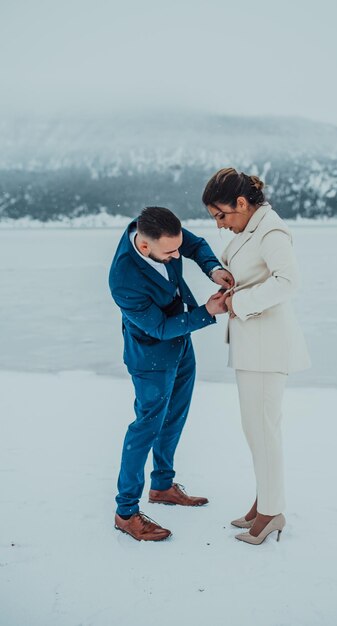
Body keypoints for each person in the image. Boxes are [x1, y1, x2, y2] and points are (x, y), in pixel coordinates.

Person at [109, 206, 233, 542]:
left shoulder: (161, 232)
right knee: (146, 427)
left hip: (181, 344)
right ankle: (126, 512)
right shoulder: (123, 279)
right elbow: (160, 326)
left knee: (175, 416)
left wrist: (213, 270)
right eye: (171, 252)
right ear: (145, 247)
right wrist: (207, 311)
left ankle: (162, 486)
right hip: (150, 358)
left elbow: (194, 246)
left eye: (177, 247)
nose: (178, 254)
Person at [202, 168, 311, 545]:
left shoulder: (271, 230)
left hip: (268, 345)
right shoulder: (251, 228)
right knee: (255, 430)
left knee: (263, 429)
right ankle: (264, 500)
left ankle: (272, 511)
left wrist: (240, 301)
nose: (220, 225)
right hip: (252, 344)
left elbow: (288, 281)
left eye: (221, 215)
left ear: (242, 203)